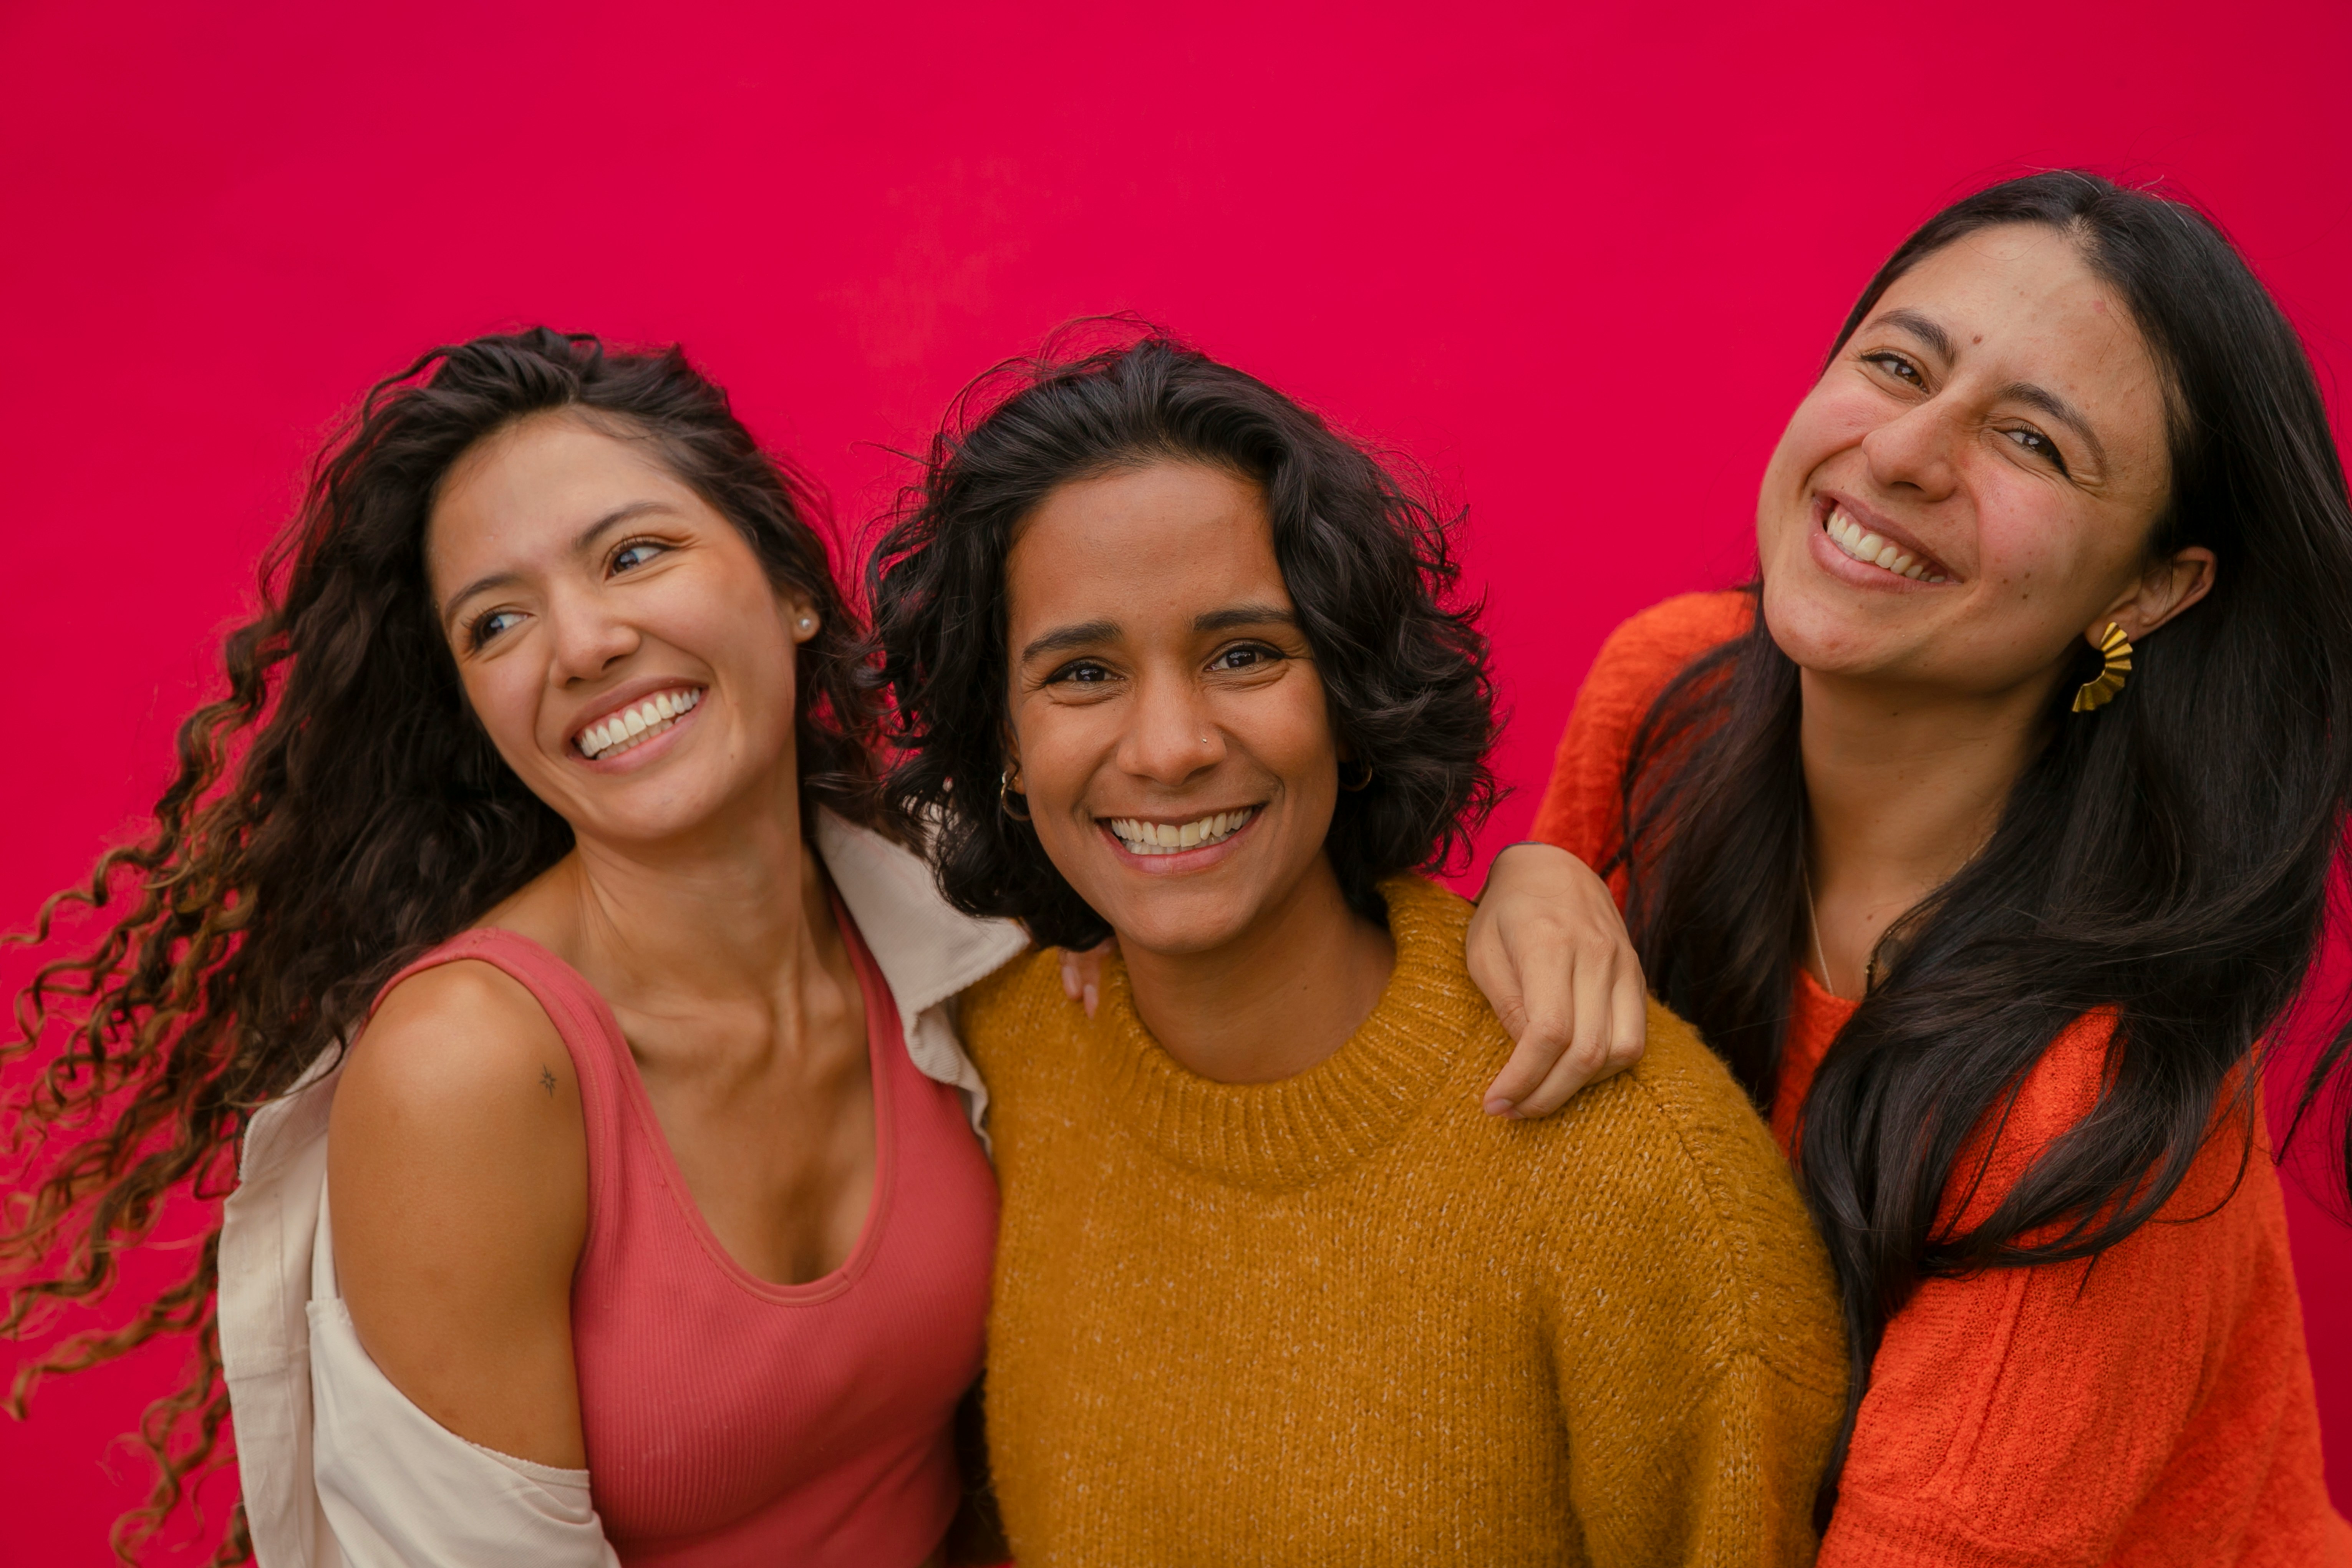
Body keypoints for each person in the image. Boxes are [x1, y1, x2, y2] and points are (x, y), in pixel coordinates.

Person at [0, 329, 1639, 1564]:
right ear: (478, 707)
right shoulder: (477, 1071)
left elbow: (1228, 825)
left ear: (787, 587)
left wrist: (1531, 886)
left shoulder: (961, 917)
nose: (582, 641)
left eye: (633, 553)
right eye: (496, 621)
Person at [868, 334, 1851, 1565]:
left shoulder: (1632, 1175)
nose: (1169, 745)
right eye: (1081, 672)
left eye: (1244, 654)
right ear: (1003, 746)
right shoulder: (993, 1050)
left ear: (1349, 692)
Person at [1490, 171, 2352, 1561]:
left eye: (2029, 440)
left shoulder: (2090, 1085)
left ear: (2146, 590)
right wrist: (1524, 891)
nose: (1903, 452)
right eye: (1896, 363)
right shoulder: (1669, 700)